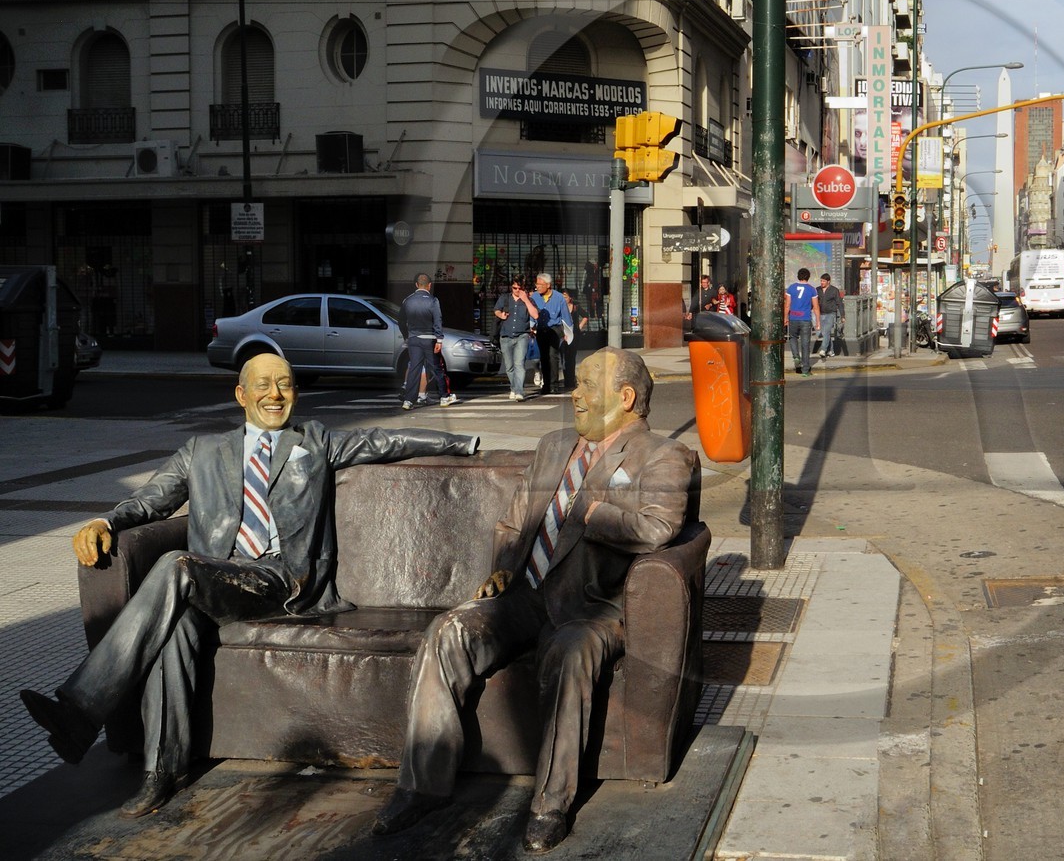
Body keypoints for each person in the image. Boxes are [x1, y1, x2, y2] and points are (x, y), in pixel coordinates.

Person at [17, 353, 480, 818]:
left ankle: (80, 711)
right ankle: (164, 771)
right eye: (263, 385)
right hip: (218, 579)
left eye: (285, 384)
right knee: (173, 628)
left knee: (177, 566)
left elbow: (386, 440)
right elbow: (149, 501)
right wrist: (104, 521)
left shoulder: (313, 440)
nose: (275, 395)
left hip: (282, 582)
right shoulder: (200, 452)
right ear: (241, 395)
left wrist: (464, 442)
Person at [371, 347, 696, 853]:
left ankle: (550, 804)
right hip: (525, 595)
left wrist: (592, 510)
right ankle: (422, 786)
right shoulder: (553, 446)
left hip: (594, 608)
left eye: (588, 385)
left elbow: (657, 528)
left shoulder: (664, 454)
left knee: (570, 654)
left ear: (626, 397)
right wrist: (501, 570)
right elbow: (513, 521)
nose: (576, 394)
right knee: (447, 632)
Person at [401, 273, 457, 409]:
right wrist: (439, 340)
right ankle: (444, 396)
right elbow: (438, 320)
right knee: (437, 368)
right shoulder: (433, 301)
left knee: (414, 368)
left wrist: (406, 336)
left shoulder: (407, 301)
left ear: (416, 285)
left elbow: (401, 321)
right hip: (430, 339)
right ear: (429, 285)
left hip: (414, 339)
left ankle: (408, 401)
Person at [494, 277, 540, 401]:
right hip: (506, 336)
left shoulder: (528, 300)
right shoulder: (505, 298)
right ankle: (514, 388)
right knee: (509, 366)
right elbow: (496, 310)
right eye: (515, 288)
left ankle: (519, 391)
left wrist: (525, 300)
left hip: (522, 335)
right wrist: (501, 315)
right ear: (511, 287)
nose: (517, 290)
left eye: (520, 288)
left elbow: (535, 315)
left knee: (519, 363)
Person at [532, 272, 575, 395]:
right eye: (537, 284)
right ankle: (546, 385)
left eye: (540, 284)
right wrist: (531, 327)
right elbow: (531, 313)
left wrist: (568, 332)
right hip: (541, 329)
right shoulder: (534, 296)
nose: (537, 286)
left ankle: (554, 384)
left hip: (555, 329)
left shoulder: (559, 297)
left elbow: (566, 316)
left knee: (553, 356)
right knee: (544, 357)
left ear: (548, 285)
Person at [783, 267, 821, 376]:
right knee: (805, 344)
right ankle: (805, 370)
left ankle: (795, 356)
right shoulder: (812, 289)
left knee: (793, 338)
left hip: (793, 318)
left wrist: (785, 317)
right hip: (805, 319)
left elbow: (787, 305)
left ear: (798, 276)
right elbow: (816, 307)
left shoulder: (791, 288)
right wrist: (818, 321)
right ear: (808, 277)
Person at [815, 272, 844, 360]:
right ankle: (831, 351)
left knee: (826, 331)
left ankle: (823, 350)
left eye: (823, 281)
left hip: (830, 314)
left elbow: (839, 303)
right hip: (820, 314)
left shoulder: (834, 290)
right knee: (824, 333)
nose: (822, 283)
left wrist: (843, 315)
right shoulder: (817, 289)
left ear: (828, 282)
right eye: (821, 281)